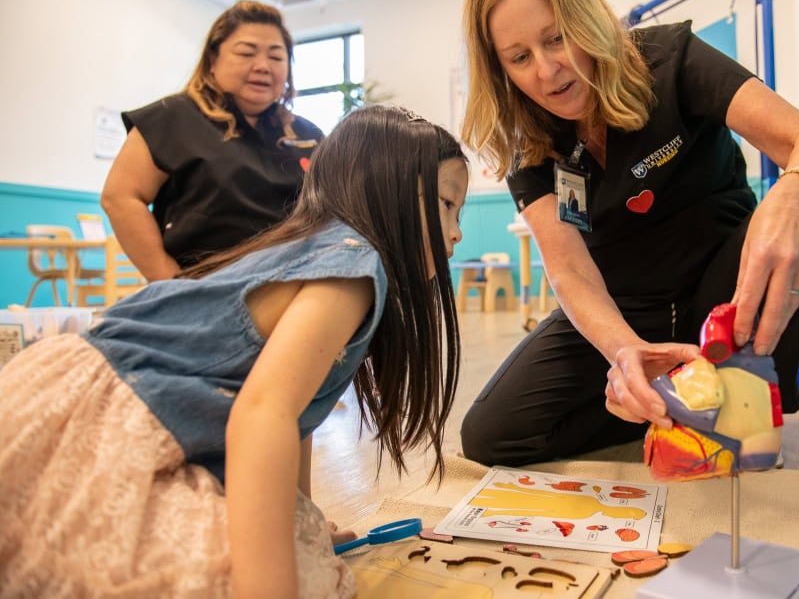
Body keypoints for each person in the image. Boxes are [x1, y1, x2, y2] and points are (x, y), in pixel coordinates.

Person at [0, 105, 469, 597]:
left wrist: (304, 523)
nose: (456, 231)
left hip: (109, 404)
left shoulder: (333, 248)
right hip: (93, 420)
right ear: (383, 188)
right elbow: (263, 413)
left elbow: (296, 414)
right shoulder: (353, 268)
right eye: (444, 204)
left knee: (298, 555)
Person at [459, 0, 799, 466]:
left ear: (584, 19)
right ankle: (669, 402)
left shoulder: (669, 61)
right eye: (519, 57)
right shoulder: (528, 144)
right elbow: (570, 274)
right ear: (501, 70)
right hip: (624, 308)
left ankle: (742, 392)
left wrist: (794, 194)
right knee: (492, 436)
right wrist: (623, 353)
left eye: (556, 38)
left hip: (722, 289)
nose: (546, 70)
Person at [101, 0, 325, 282]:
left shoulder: (308, 135)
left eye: (276, 57)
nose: (262, 66)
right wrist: (169, 282)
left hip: (295, 285)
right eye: (246, 53)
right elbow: (120, 197)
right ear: (212, 60)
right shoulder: (171, 118)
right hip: (207, 288)